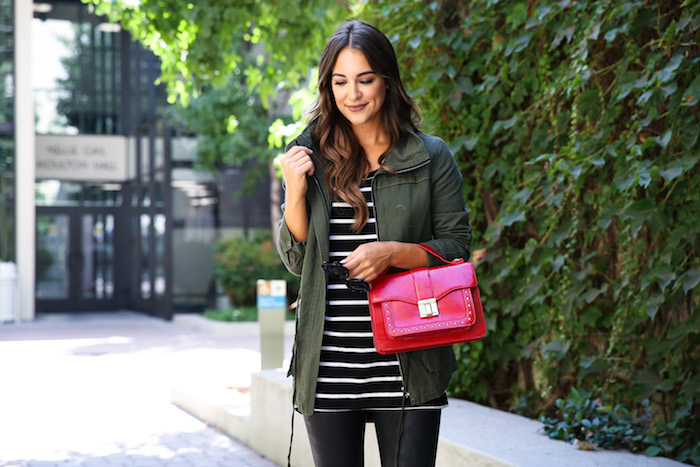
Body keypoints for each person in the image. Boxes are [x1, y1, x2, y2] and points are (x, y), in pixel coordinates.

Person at [277, 21, 472, 467]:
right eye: (340, 82)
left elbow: (457, 246)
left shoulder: (429, 155)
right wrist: (293, 190)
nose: (354, 94)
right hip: (330, 365)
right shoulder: (308, 157)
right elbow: (296, 259)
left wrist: (393, 253)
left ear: (387, 79)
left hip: (411, 361)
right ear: (328, 87)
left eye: (365, 79)